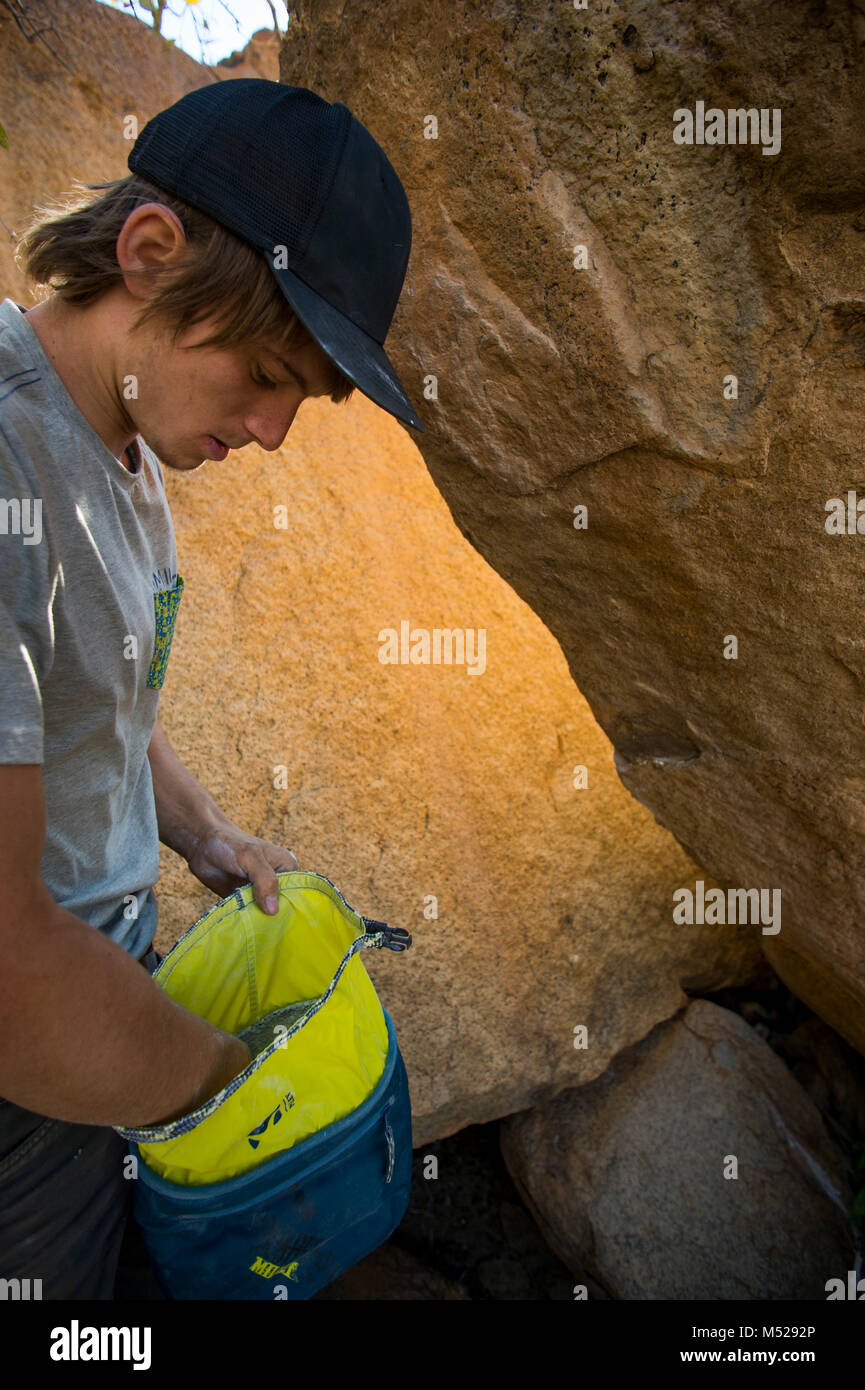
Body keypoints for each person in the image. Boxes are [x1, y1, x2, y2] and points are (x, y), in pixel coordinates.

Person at [0, 79, 423, 1300]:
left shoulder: (123, 449)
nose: (278, 431)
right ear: (147, 253)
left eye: (305, 398)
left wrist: (204, 833)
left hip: (103, 994)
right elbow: (9, 967)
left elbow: (100, 711)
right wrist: (232, 1083)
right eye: (267, 371)